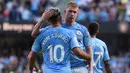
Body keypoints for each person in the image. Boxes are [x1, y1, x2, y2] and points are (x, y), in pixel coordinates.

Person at [31, 1, 93, 73]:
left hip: (79, 67)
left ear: (77, 14)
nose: (72, 14)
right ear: (65, 11)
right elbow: (34, 33)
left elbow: (89, 49)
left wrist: (91, 69)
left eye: (74, 12)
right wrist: (42, 20)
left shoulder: (83, 29)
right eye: (70, 11)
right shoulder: (56, 26)